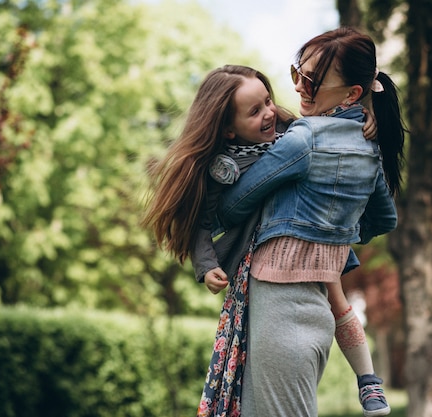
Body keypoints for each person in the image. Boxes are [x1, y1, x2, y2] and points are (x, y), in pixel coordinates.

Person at [142, 62, 383, 417]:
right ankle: (369, 381)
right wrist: (207, 266)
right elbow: (200, 222)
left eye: (268, 101)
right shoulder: (221, 169)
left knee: (338, 300)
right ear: (227, 130)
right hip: (264, 253)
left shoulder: (293, 131)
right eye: (255, 112)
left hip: (310, 239)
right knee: (333, 297)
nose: (269, 112)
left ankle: (368, 380)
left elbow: (335, 121)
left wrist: (367, 117)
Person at [217, 27, 406, 417]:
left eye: (313, 81)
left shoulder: (302, 140)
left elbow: (233, 208)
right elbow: (385, 219)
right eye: (297, 74)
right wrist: (334, 236)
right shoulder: (369, 146)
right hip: (320, 310)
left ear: (353, 93)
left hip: (279, 306)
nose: (301, 87)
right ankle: (369, 382)